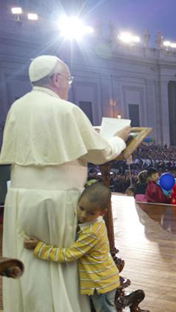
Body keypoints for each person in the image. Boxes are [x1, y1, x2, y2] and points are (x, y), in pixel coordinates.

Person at [0, 55, 129, 312]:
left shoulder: (18, 107)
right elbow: (101, 152)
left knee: (29, 260)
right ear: (57, 79)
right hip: (56, 200)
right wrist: (119, 139)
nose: (68, 85)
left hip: (20, 197)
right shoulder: (65, 109)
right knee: (56, 266)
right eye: (68, 79)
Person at [23, 183, 120, 312]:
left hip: (101, 282)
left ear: (102, 212)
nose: (83, 215)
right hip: (102, 279)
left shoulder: (92, 232)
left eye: (91, 213)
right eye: (81, 208)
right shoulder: (95, 223)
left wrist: (40, 247)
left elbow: (69, 254)